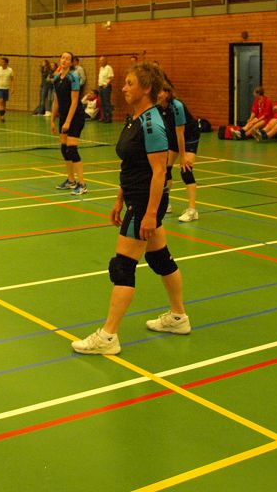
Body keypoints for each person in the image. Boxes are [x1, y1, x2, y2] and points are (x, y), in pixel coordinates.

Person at [71, 62, 189, 355]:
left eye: (129, 83)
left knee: (122, 267)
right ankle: (178, 317)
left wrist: (149, 214)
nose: (123, 88)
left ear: (146, 88)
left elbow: (159, 172)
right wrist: (119, 199)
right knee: (160, 258)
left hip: (146, 203)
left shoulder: (152, 124)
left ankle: (108, 336)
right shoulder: (134, 119)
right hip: (135, 198)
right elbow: (132, 166)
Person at [158, 81, 201, 222]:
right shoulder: (158, 107)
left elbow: (180, 133)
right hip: (173, 136)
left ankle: (192, 210)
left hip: (189, 135)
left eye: (160, 92)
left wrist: (182, 157)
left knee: (186, 170)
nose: (157, 95)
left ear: (167, 93)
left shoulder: (177, 106)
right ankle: (165, 204)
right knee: (165, 169)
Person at [51, 51, 88, 195]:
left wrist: (67, 122)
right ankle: (71, 181)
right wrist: (52, 120)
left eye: (67, 59)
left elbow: (74, 102)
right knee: (64, 149)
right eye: (62, 58)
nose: (64, 60)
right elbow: (56, 101)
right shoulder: (56, 78)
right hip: (64, 116)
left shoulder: (73, 78)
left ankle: (82, 184)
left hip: (76, 117)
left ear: (71, 62)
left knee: (72, 149)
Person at [0, 56, 14, 123]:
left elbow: (12, 80)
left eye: (2, 62)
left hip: (6, 88)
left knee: (4, 103)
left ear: (6, 63)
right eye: (1, 61)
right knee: (1, 101)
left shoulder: (10, 70)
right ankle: (2, 116)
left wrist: (13, 88)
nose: (1, 63)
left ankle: (1, 115)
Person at [97, 55, 114, 123]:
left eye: (102, 60)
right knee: (102, 103)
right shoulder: (101, 68)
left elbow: (111, 77)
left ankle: (108, 118)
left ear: (106, 61)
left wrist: (107, 85)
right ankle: (104, 117)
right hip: (100, 87)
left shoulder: (108, 68)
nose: (100, 62)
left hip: (106, 87)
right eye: (100, 60)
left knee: (106, 102)